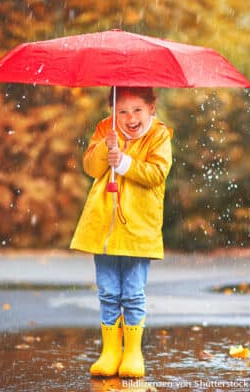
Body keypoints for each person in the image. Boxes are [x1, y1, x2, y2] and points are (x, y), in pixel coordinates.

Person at [70, 86, 173, 378]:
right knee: (108, 291)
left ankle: (132, 351)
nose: (130, 118)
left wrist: (125, 163)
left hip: (138, 228)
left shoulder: (159, 136)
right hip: (104, 226)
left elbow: (156, 174)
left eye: (137, 110)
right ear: (113, 111)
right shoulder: (105, 128)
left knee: (132, 292)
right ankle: (110, 351)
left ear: (151, 107)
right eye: (122, 111)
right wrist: (106, 146)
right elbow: (90, 167)